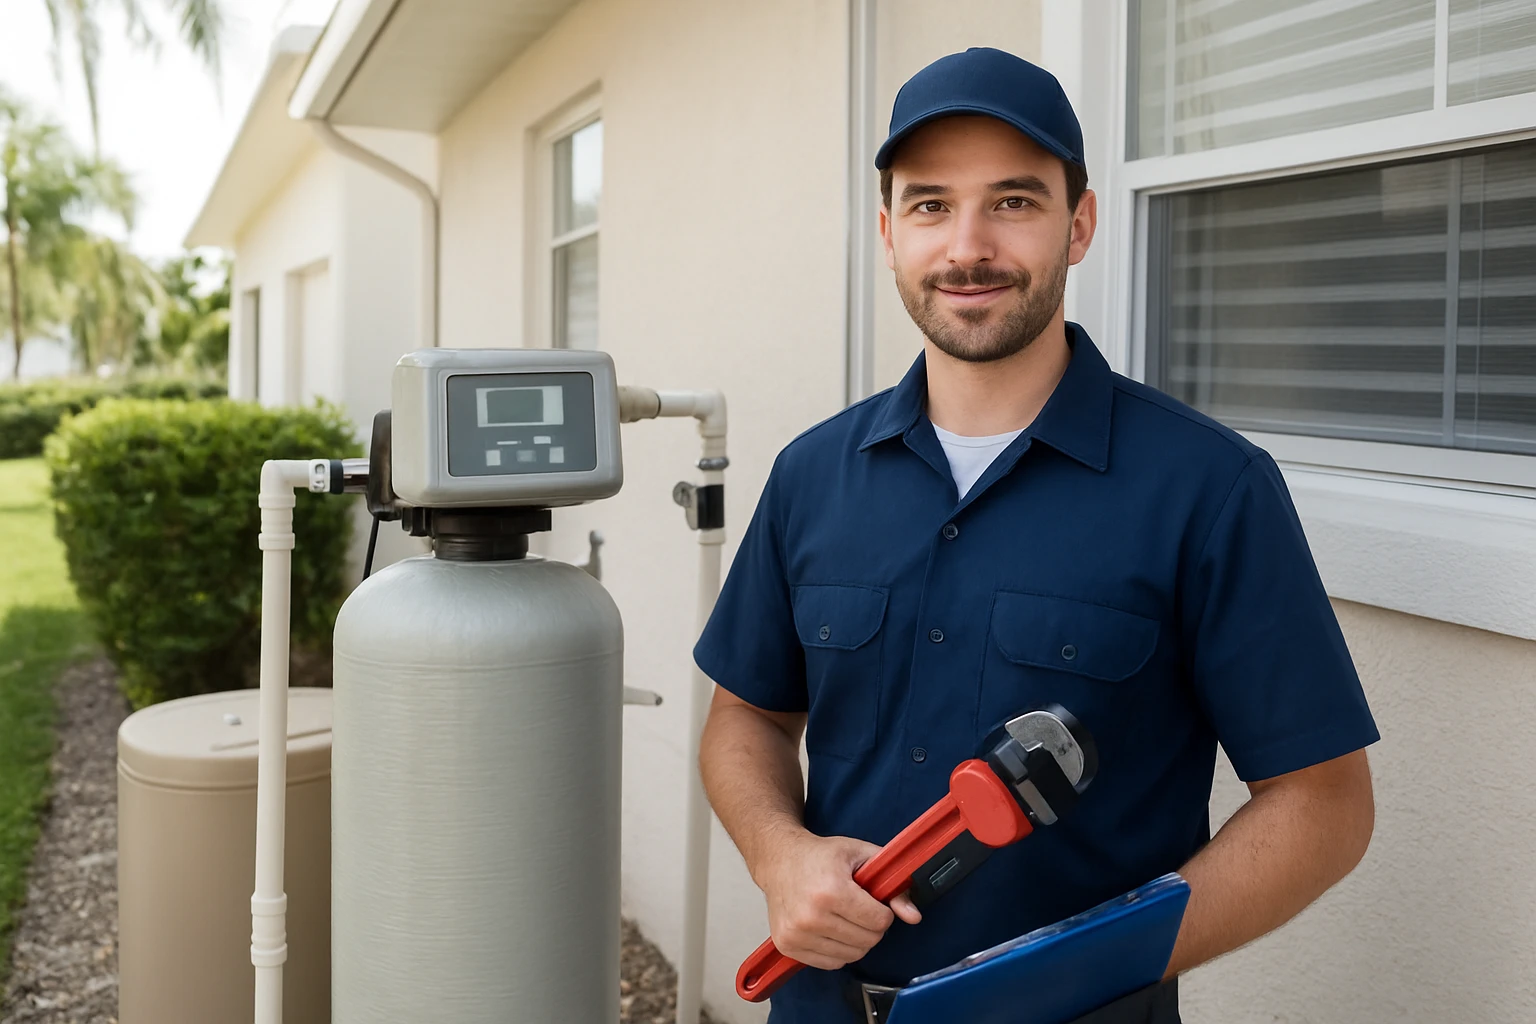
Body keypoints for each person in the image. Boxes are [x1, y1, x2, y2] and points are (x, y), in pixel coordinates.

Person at [694, 47, 1378, 1024]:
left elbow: (1324, 808)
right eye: (930, 205)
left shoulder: (1210, 489)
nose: (967, 245)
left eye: (1012, 201)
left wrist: (1090, 971)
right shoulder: (812, 475)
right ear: (889, 233)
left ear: (1080, 223)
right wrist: (780, 854)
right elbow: (746, 718)